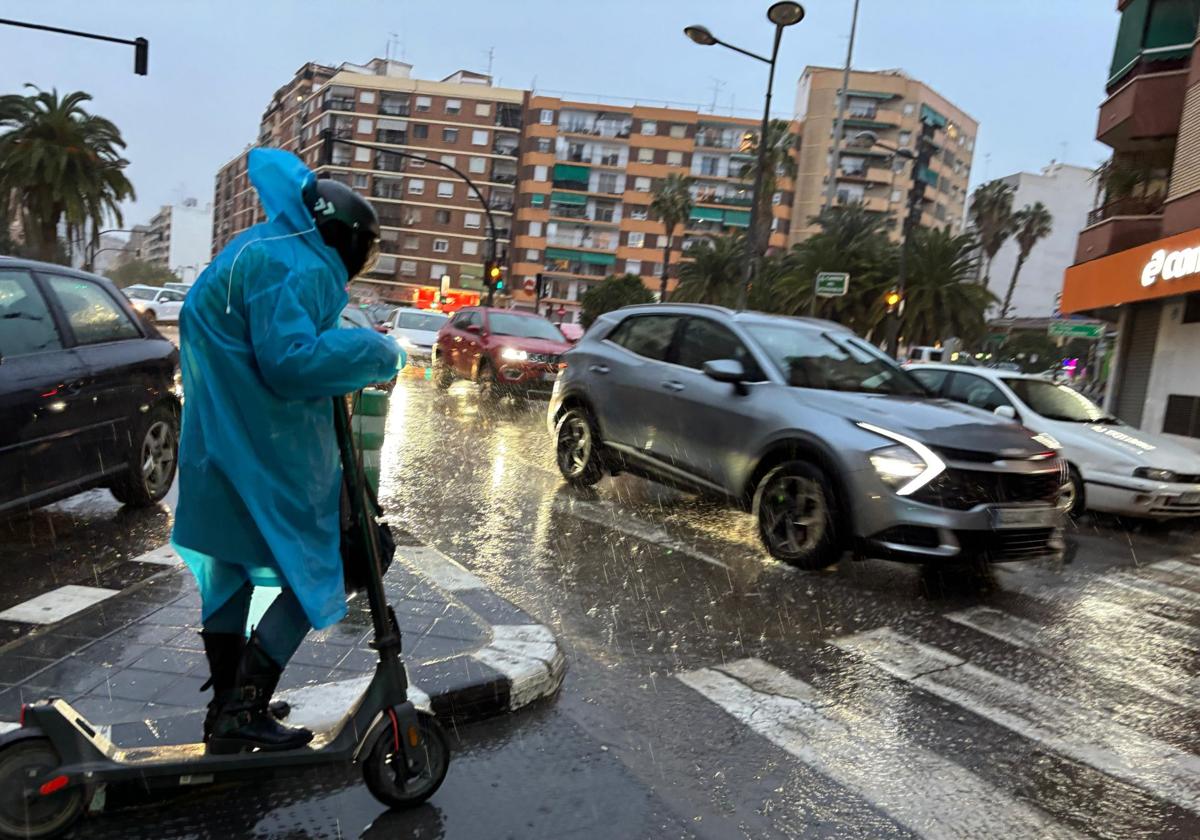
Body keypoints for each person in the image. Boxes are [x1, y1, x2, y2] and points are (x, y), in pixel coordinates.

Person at [172, 148, 404, 754]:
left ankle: (227, 705)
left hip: (219, 450)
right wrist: (376, 353)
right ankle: (243, 706)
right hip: (266, 456)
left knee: (228, 575)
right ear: (344, 239)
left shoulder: (257, 248)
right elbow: (290, 362)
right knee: (323, 569)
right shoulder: (293, 267)